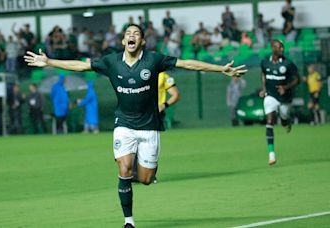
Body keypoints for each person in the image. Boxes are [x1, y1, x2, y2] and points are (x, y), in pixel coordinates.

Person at [24, 24, 246, 228]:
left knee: (147, 179)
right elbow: (81, 66)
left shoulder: (154, 60)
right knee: (124, 169)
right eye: (128, 33)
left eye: (136, 34)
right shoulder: (111, 61)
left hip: (149, 126)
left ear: (142, 42)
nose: (131, 36)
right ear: (123, 41)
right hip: (124, 124)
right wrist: (49, 62)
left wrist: (220, 69)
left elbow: (187, 63)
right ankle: (128, 221)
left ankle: (141, 169)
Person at [259, 40, 299, 166]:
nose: (282, 48)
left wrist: (285, 88)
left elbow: (297, 79)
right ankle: (271, 155)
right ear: (273, 48)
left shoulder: (288, 64)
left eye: (282, 47)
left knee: (284, 119)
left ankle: (287, 122)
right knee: (270, 121)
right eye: (279, 47)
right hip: (270, 96)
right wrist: (264, 89)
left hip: (284, 98)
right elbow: (264, 74)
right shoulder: (265, 62)